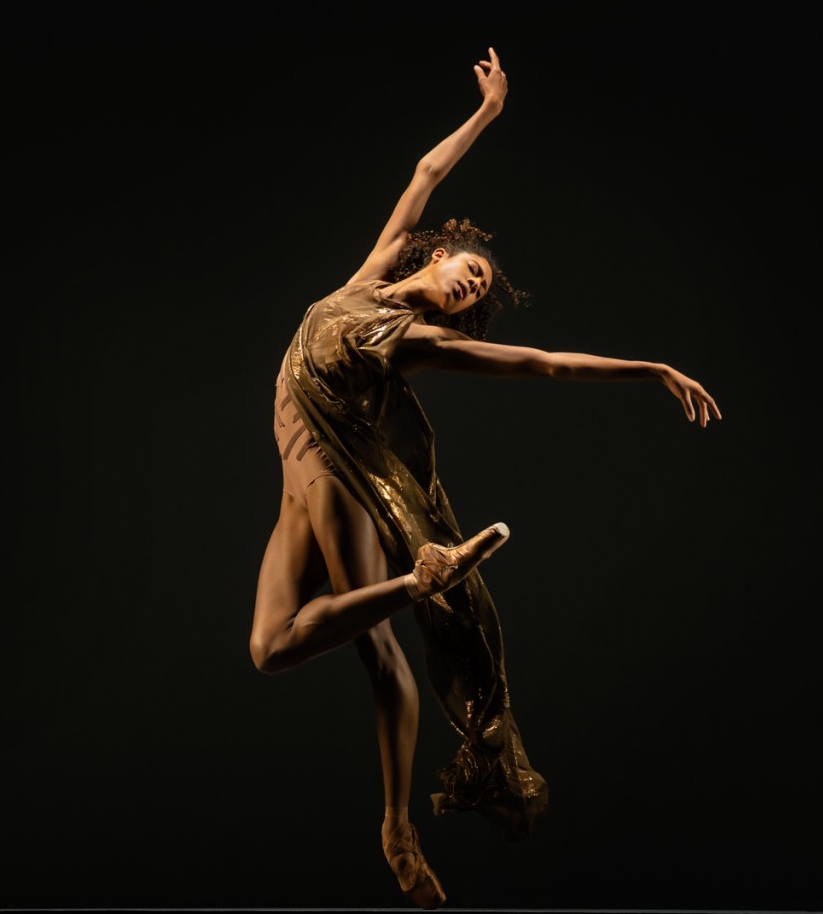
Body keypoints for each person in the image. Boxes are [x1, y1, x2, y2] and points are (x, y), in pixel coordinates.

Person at [249, 47, 722, 910]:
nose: (469, 287)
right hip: (295, 474)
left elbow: (544, 364)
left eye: (476, 295)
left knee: (381, 656)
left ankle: (397, 824)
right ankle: (418, 576)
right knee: (271, 648)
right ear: (433, 255)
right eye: (466, 271)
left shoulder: (424, 342)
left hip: (337, 474)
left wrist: (649, 366)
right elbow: (426, 170)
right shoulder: (368, 276)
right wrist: (488, 115)